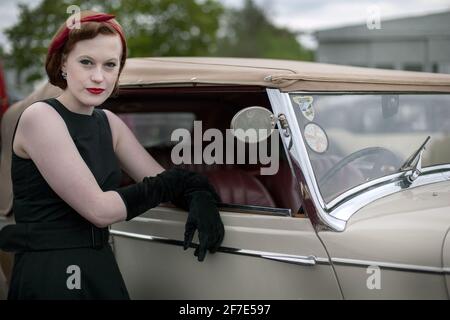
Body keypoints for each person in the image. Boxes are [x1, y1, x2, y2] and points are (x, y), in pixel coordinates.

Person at [0, 10, 224, 300]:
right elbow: (99, 209)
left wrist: (197, 193)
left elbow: (158, 179)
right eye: (86, 62)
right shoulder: (40, 116)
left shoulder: (108, 122)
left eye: (110, 65)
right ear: (64, 63)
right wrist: (178, 181)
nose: (98, 77)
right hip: (51, 271)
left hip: (100, 264)